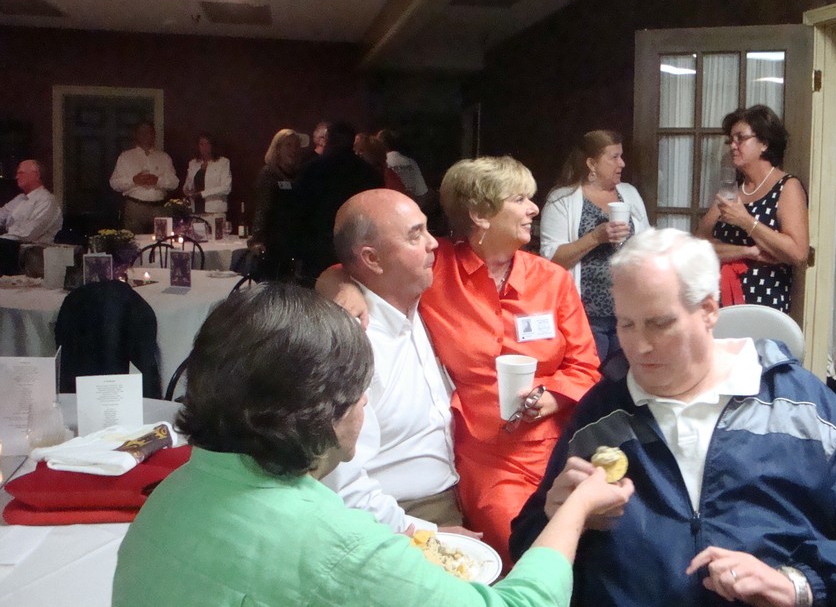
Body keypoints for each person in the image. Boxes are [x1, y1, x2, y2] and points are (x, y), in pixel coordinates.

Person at [112, 283, 633, 607]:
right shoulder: (337, 547)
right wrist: (575, 511)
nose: (367, 406)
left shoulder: (173, 493)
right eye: (362, 394)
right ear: (322, 412)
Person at [511, 228, 836, 607]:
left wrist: (799, 585)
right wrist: (557, 516)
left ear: (709, 310)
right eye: (626, 324)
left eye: (660, 323)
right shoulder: (600, 416)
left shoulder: (804, 410)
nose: (639, 345)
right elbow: (529, 552)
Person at [317, 156, 602, 567]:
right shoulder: (436, 272)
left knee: (598, 543)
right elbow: (361, 266)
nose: (533, 208)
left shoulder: (551, 279)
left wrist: (553, 395)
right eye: (519, 198)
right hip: (484, 455)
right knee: (530, 549)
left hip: (556, 442)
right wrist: (339, 286)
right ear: (480, 215)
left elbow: (586, 366)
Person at [320, 188, 467, 534]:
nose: (433, 243)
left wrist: (335, 280)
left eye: (427, 229)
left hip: (460, 487)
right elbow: (338, 479)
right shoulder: (353, 344)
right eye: (415, 235)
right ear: (372, 259)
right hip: (399, 513)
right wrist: (425, 533)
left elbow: (337, 272)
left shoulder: (423, 299)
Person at [540, 130, 649, 372]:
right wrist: (595, 237)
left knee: (626, 381)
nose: (622, 163)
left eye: (621, 156)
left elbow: (647, 244)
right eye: (614, 157)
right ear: (591, 163)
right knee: (588, 379)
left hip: (628, 314)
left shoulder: (629, 194)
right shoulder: (563, 199)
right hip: (586, 316)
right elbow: (551, 261)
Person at [696, 104, 808, 313]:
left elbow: (798, 253)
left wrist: (746, 221)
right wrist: (747, 252)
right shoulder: (733, 190)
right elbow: (699, 245)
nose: (733, 146)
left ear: (764, 143)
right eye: (731, 140)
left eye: (740, 138)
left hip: (763, 305)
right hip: (719, 303)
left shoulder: (787, 186)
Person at [295, 122, 383, 281]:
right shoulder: (368, 172)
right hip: (356, 246)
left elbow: (298, 209)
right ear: (353, 141)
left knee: (317, 290)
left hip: (317, 245)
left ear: (329, 139)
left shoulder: (311, 169)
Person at [248, 128, 301, 280]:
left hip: (292, 241)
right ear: (277, 149)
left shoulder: (298, 175)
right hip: (272, 242)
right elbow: (262, 208)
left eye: (296, 146)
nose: (293, 150)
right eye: (288, 145)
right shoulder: (268, 174)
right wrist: (257, 239)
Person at [109, 121, 179, 233]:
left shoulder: (164, 157)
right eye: (142, 132)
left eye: (149, 132)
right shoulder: (126, 157)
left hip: (159, 207)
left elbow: (174, 183)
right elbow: (114, 183)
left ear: (154, 135)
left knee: (162, 240)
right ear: (136, 135)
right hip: (135, 207)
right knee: (135, 240)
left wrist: (158, 181)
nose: (145, 135)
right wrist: (133, 181)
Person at [0, 160, 63, 275]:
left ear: (36, 175)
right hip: (9, 248)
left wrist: (4, 237)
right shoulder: (19, 199)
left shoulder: (47, 201)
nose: (17, 177)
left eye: (21, 173)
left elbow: (28, 234)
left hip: (32, 256)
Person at [181, 132, 231, 216]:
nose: (205, 147)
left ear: (213, 146)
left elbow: (226, 188)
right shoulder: (193, 163)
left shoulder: (223, 162)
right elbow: (188, 184)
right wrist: (187, 190)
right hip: (196, 209)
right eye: (201, 144)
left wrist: (202, 193)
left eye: (207, 144)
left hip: (215, 210)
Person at [376, 127, 429, 201]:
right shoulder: (411, 162)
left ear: (380, 145)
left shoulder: (383, 164)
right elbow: (422, 192)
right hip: (413, 203)